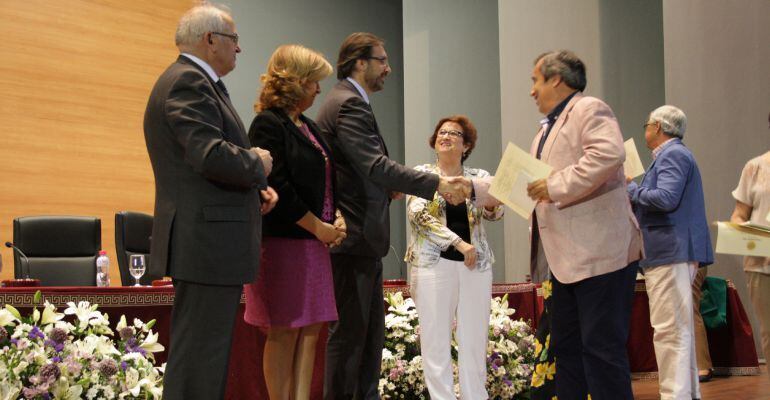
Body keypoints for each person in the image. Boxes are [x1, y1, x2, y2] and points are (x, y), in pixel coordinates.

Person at [315, 32, 469, 399]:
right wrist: (438, 184)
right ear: (359, 62)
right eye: (382, 60)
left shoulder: (350, 101)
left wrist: (385, 188)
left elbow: (360, 171)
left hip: (361, 239)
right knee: (352, 340)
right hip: (352, 238)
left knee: (367, 341)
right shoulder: (349, 103)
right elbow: (374, 165)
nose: (389, 67)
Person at [143, 4, 276, 399]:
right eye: (234, 40)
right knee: (200, 360)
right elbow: (208, 154)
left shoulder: (195, 81)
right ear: (210, 39)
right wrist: (257, 162)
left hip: (207, 240)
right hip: (205, 242)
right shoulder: (188, 81)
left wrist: (255, 188)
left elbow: (202, 160)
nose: (239, 49)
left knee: (203, 357)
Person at [525, 50, 643, 400]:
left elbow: (608, 154)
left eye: (535, 80)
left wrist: (555, 186)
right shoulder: (544, 130)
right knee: (568, 351)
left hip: (600, 256)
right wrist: (471, 190)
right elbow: (528, 183)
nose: (531, 91)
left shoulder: (590, 108)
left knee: (602, 352)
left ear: (556, 79)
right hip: (567, 263)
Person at [244, 44, 346, 400]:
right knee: (284, 330)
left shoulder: (308, 126)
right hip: (283, 244)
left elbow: (326, 180)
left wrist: (337, 217)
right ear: (296, 81)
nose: (319, 89)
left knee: (311, 329)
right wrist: (320, 227)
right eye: (315, 81)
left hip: (313, 244)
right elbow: (278, 186)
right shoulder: (268, 124)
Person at [405, 115, 504, 400]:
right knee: (435, 342)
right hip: (433, 265)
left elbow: (495, 214)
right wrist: (458, 243)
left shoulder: (479, 177)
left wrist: (490, 200)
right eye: (441, 132)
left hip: (476, 266)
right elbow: (418, 216)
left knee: (474, 341)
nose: (445, 136)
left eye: (454, 133)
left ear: (466, 144)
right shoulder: (422, 173)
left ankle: (476, 396)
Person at [627, 105, 714, 400]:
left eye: (647, 124)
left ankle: (674, 395)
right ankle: (687, 393)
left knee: (668, 330)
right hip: (671, 250)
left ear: (659, 127)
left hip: (670, 250)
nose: (645, 130)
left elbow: (666, 198)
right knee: (679, 328)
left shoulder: (673, 154)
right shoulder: (672, 155)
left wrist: (630, 190)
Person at [730, 110, 770, 381]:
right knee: (769, 331)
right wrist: (737, 229)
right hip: (761, 262)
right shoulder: (755, 167)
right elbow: (740, 213)